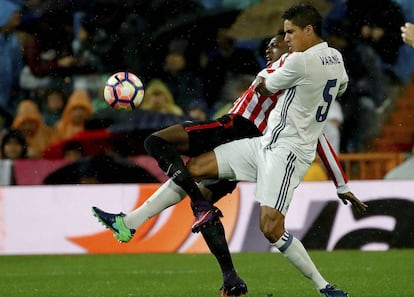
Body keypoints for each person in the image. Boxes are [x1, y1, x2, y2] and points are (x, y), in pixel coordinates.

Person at [92, 27, 366, 296]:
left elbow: (316, 134)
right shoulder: (294, 74)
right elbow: (315, 130)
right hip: (249, 143)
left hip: (235, 128)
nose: (269, 49)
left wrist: (340, 182)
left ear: (292, 46)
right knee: (195, 182)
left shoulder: (292, 70)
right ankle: (230, 277)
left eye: (276, 43)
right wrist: (340, 183)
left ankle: (146, 219)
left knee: (156, 142)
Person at [182, 4, 368, 296]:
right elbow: (341, 86)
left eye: (290, 32)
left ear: (309, 30)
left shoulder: (300, 62)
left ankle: (324, 286)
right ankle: (133, 220)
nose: (287, 38)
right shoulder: (336, 59)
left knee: (270, 227)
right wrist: (341, 184)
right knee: (194, 167)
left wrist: (263, 78)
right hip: (267, 143)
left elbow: (265, 88)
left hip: (287, 151)